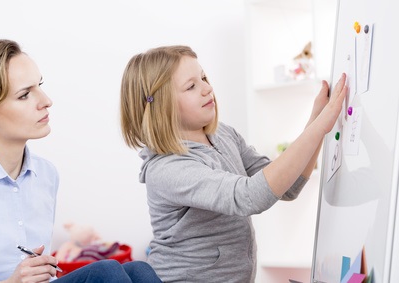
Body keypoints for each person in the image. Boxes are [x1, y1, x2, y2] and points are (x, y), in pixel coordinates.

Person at [119, 45, 348, 283]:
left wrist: (316, 122)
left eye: (204, 78)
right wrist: (321, 125)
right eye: (191, 86)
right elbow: (249, 196)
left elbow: (288, 187)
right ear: (161, 107)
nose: (208, 88)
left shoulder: (224, 136)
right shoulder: (167, 169)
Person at [0, 39, 162, 283]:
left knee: (139, 271)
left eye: (39, 86)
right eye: (24, 95)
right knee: (105, 272)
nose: (46, 101)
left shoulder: (46, 174)